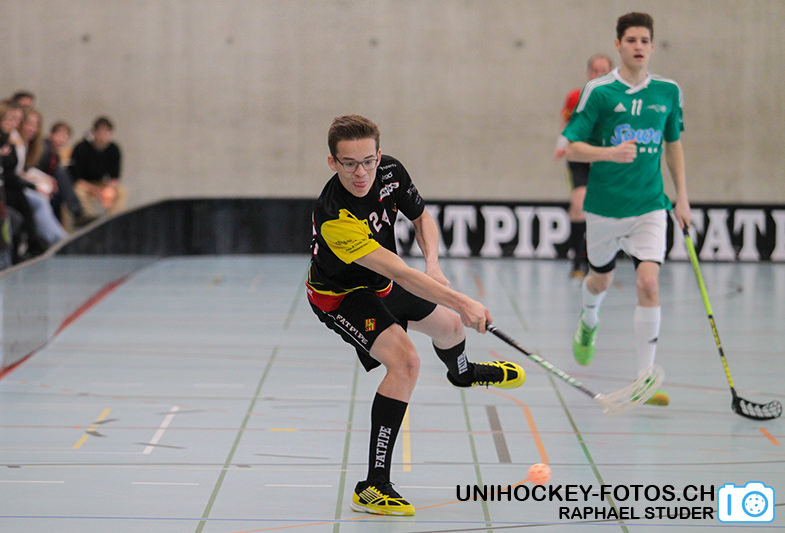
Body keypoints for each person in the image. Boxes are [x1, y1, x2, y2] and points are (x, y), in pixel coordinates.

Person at [306, 115, 525, 516]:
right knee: (406, 362)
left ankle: (463, 373)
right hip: (342, 295)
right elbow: (402, 273)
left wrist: (434, 265)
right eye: (349, 164)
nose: (361, 173)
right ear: (332, 162)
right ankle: (373, 486)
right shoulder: (335, 215)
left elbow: (421, 217)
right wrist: (463, 300)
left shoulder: (390, 171)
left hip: (381, 283)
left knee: (451, 326)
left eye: (368, 161)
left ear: (379, 155)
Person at [561, 12, 691, 406]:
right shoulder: (599, 92)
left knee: (648, 283)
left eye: (644, 40)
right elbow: (571, 147)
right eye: (631, 40)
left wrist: (682, 197)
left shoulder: (668, 92)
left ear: (652, 46)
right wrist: (609, 153)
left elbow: (673, 146)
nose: (638, 47)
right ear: (618, 45)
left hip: (650, 205)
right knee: (599, 282)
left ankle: (644, 379)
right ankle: (588, 321)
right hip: (604, 207)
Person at [555, 54, 613, 278]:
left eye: (603, 71)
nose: (598, 75)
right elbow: (567, 125)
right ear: (589, 73)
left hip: (605, 159)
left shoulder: (617, 99)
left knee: (602, 210)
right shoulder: (575, 97)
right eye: (595, 71)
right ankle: (577, 262)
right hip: (580, 158)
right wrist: (562, 144)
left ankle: (597, 259)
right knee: (579, 203)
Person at [68, 116, 127, 217]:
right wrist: (94, 190)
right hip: (84, 184)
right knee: (78, 192)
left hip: (101, 183)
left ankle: (114, 217)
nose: (103, 137)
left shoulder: (114, 149)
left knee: (121, 192)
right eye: (101, 133)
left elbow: (115, 177)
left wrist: (107, 188)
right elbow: (76, 178)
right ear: (94, 133)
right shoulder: (81, 148)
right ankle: (89, 217)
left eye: (107, 133)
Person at [37, 121, 92, 227]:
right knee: (61, 173)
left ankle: (64, 222)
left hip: (48, 184)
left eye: (66, 136)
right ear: (51, 134)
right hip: (38, 182)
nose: (62, 139)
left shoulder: (55, 154)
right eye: (60, 135)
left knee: (60, 190)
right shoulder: (44, 148)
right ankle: (77, 212)